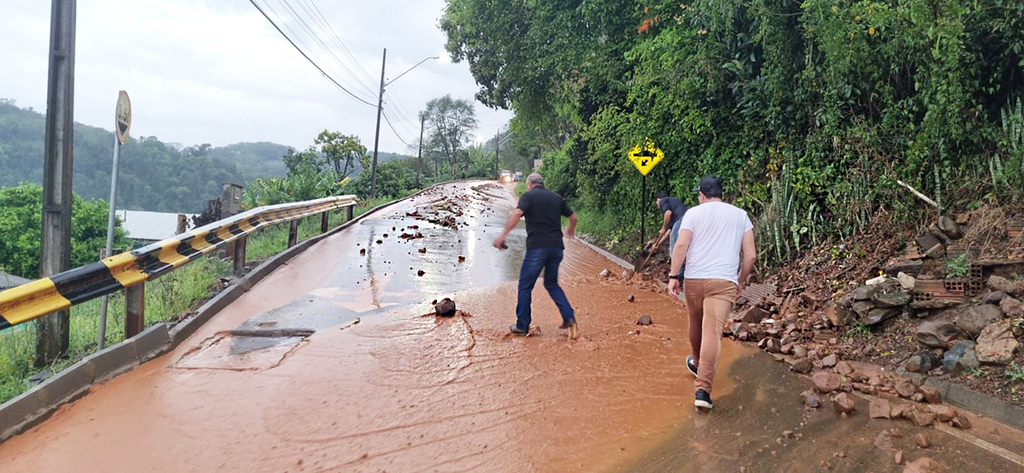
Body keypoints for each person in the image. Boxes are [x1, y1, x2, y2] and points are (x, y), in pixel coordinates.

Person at [667, 175, 756, 410]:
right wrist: (739, 280)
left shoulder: (693, 214)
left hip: (695, 279)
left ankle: (697, 362)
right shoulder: (741, 216)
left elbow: (681, 245)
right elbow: (750, 256)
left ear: (701, 195)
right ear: (722, 194)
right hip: (723, 281)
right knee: (712, 331)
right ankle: (703, 391)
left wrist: (674, 276)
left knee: (695, 322)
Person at [493, 173, 578, 336]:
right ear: (543, 184)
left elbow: (517, 214)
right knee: (551, 284)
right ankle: (569, 317)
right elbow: (573, 217)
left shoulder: (528, 196)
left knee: (525, 286)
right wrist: (570, 230)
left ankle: (522, 325)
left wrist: (503, 235)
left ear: (530, 184)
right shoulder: (556, 197)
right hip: (556, 248)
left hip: (537, 247)